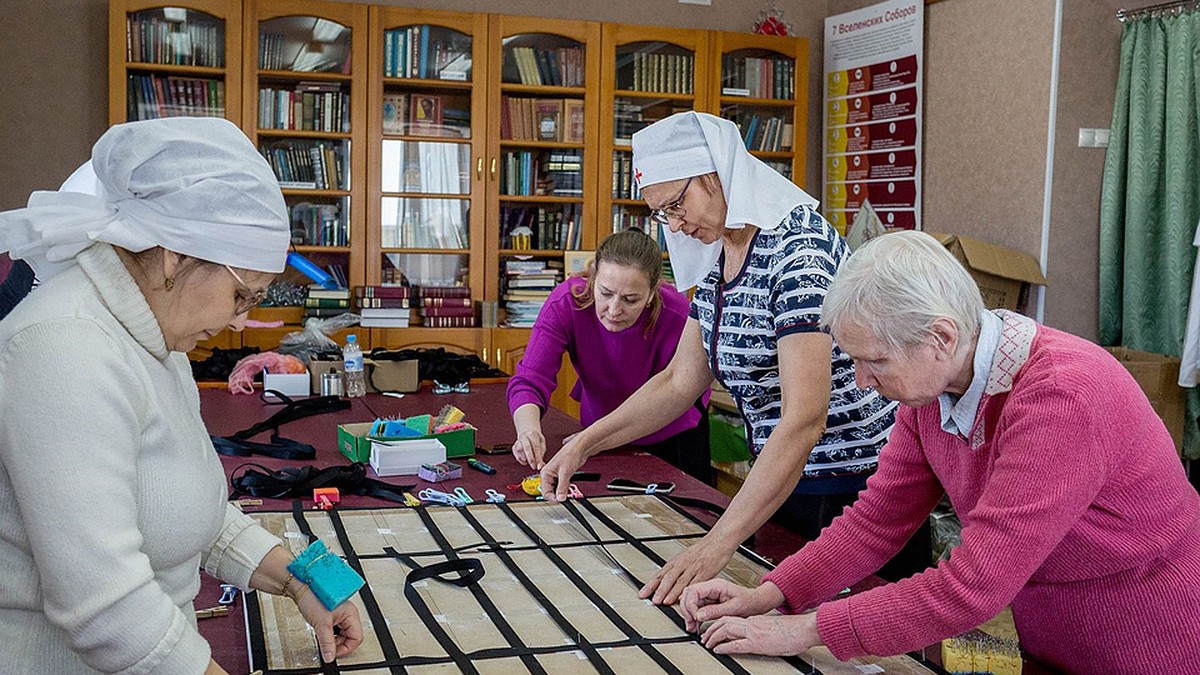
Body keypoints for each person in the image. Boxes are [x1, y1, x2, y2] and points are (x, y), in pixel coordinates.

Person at [681, 230, 1200, 672]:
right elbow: (875, 523)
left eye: (874, 360)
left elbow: (972, 586)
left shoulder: (1062, 396)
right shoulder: (932, 390)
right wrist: (773, 594)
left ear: (941, 337)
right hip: (1055, 631)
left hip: (1148, 634)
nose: (861, 382)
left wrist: (802, 631)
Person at [0, 118, 364, 674]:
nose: (242, 323)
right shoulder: (62, 347)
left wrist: (297, 580)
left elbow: (183, 505)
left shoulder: (154, 336)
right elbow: (105, 609)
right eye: (243, 296)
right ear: (175, 256)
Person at [539, 111, 911, 605]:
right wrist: (585, 443)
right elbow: (678, 381)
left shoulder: (797, 251)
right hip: (782, 480)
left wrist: (715, 545)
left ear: (715, 174)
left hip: (852, 488)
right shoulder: (719, 254)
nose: (674, 224)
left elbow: (804, 418)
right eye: (662, 213)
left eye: (676, 204)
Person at [507, 228, 711, 483]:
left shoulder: (679, 314)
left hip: (672, 437)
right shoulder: (566, 303)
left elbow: (675, 392)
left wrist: (589, 441)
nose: (614, 310)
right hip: (597, 436)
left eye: (630, 299)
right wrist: (528, 430)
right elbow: (531, 378)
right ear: (593, 279)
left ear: (651, 293)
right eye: (605, 293)